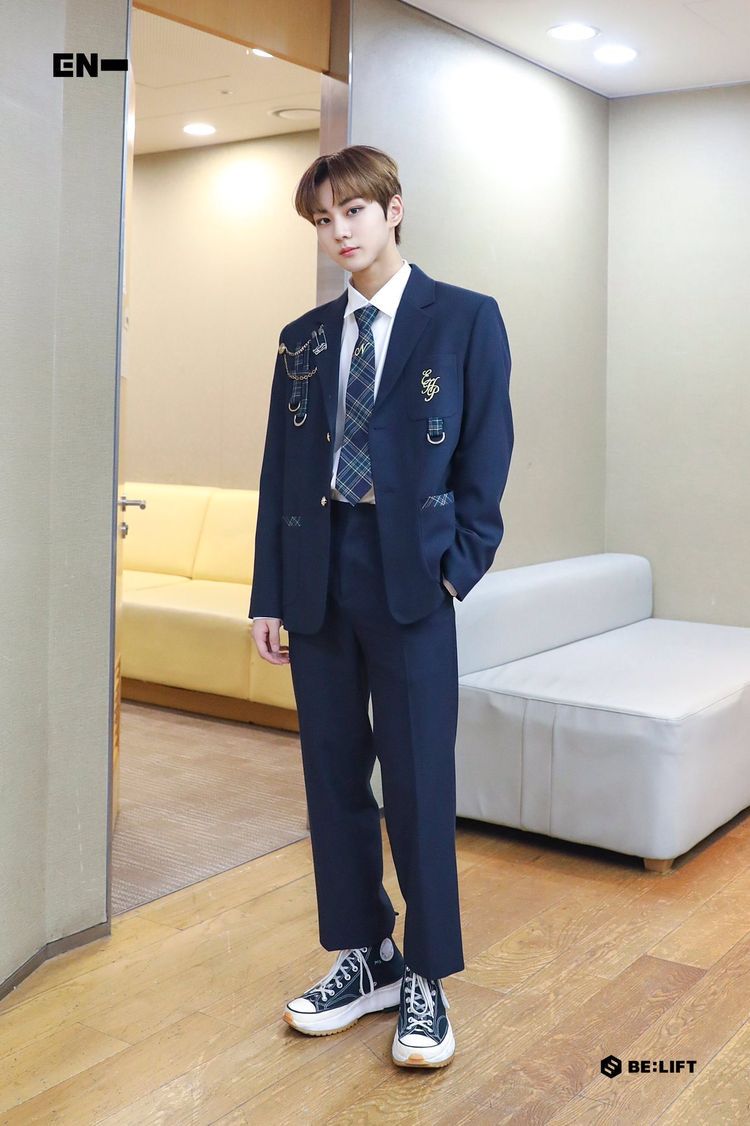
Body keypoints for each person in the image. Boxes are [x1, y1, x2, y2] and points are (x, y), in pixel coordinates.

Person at [249, 144, 513, 1069]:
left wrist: (456, 570)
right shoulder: (304, 339)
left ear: (393, 208)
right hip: (316, 574)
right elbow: (281, 472)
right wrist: (269, 593)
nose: (339, 234)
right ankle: (367, 956)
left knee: (417, 782)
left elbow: (487, 455)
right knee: (331, 779)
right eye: (323, 221)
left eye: (352, 213)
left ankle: (428, 976)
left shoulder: (465, 319)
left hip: (412, 580)